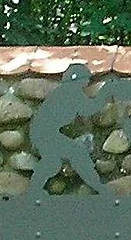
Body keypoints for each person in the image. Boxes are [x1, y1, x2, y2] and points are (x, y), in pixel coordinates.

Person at [27, 64, 110, 193]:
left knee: (52, 162)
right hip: (44, 134)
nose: (88, 81)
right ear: (77, 79)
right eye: (86, 78)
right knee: (78, 154)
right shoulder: (71, 92)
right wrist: (104, 93)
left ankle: (33, 192)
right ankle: (99, 188)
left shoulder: (67, 91)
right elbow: (88, 109)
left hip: (43, 133)